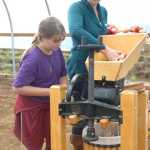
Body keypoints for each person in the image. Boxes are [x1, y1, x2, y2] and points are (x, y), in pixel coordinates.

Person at [67, 0, 126, 150]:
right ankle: (78, 145)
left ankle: (93, 142)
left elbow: (101, 35)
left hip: (99, 66)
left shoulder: (103, 10)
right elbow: (76, 30)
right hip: (80, 64)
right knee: (81, 113)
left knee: (99, 108)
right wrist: (104, 49)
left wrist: (114, 32)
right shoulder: (77, 8)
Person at [13, 17, 67, 150]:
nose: (59, 44)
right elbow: (18, 87)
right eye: (56, 40)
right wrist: (51, 91)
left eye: (61, 40)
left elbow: (62, 74)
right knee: (33, 145)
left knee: (54, 140)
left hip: (51, 104)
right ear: (42, 37)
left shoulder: (56, 51)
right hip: (32, 107)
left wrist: (62, 87)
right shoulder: (33, 58)